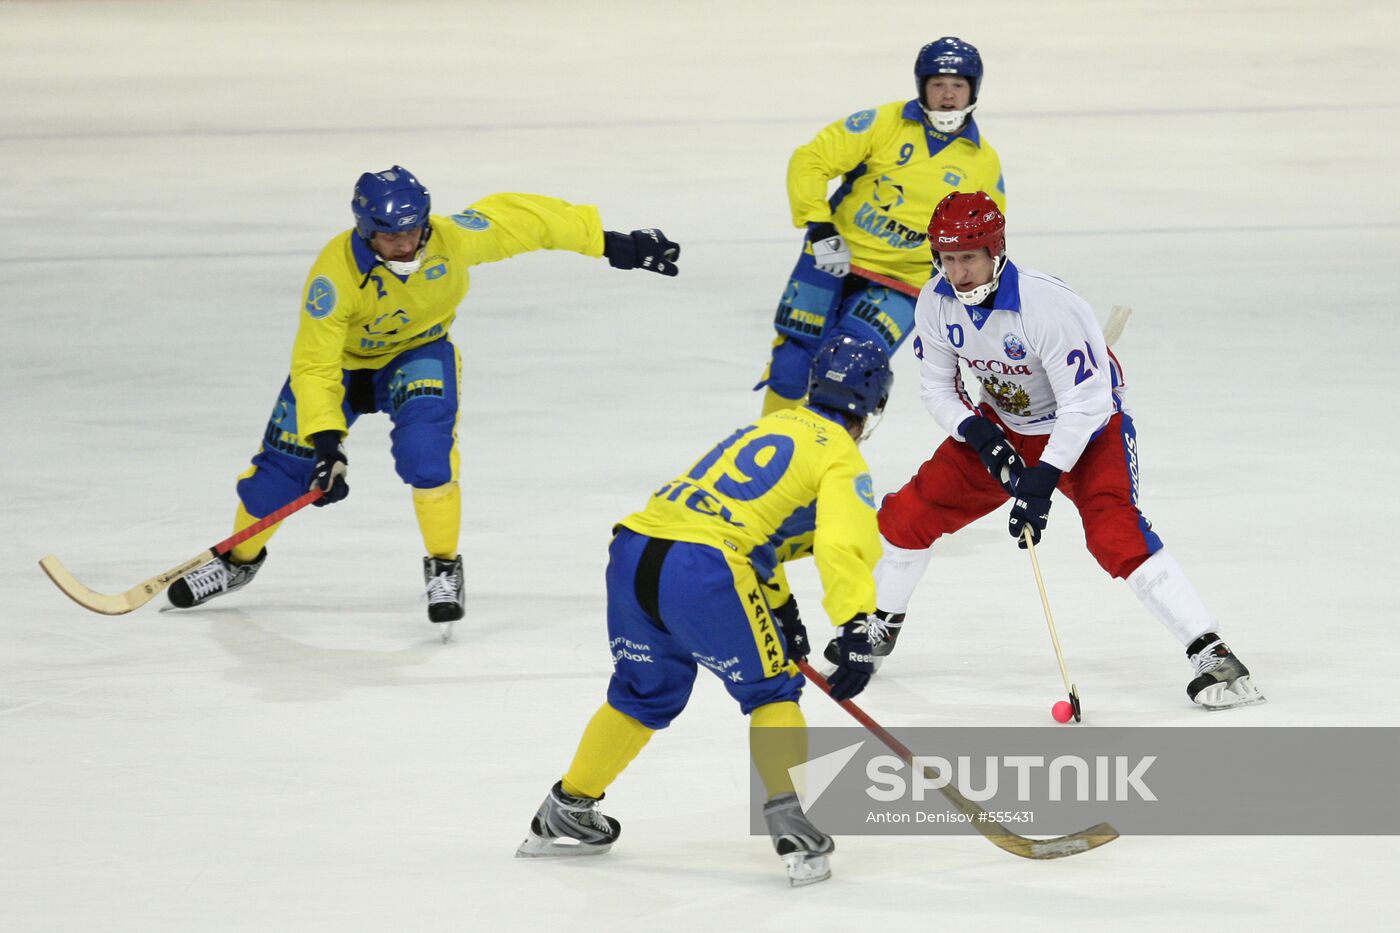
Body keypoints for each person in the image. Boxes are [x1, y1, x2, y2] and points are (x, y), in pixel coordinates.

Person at [165, 166, 681, 630]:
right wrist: (327, 444)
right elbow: (315, 364)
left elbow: (523, 221)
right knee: (278, 479)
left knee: (427, 457)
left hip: (416, 354)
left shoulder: (448, 241)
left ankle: (443, 564)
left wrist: (614, 244)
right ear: (367, 232)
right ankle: (237, 562)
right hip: (340, 369)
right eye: (391, 236)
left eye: (414, 229)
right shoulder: (333, 276)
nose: (406, 244)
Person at [516, 336, 893, 886]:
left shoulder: (767, 426)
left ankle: (567, 808)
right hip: (703, 568)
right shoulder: (841, 452)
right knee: (772, 690)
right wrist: (858, 622)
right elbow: (841, 543)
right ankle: (790, 821)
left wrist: (781, 609)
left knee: (643, 694)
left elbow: (743, 524)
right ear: (872, 408)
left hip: (635, 549)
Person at [868, 191, 1264, 711]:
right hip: (1005, 425)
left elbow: (1087, 400)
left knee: (1112, 529)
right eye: (947, 259)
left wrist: (1044, 478)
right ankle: (877, 627)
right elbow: (937, 389)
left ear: (996, 251)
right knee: (909, 512)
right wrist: (982, 437)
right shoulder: (935, 302)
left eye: (968, 257)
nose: (958, 272)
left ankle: (1210, 650)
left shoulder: (1047, 306)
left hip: (1089, 427)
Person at [755, 36, 1006, 415]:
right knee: (792, 363)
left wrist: (978, 296)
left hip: (902, 283)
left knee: (849, 375)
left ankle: (824, 462)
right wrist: (819, 225)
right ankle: (779, 455)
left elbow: (988, 238)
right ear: (922, 86)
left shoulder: (982, 161)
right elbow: (810, 159)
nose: (948, 95)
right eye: (938, 84)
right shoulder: (883, 123)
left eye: (958, 85)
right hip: (832, 255)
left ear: (974, 90)